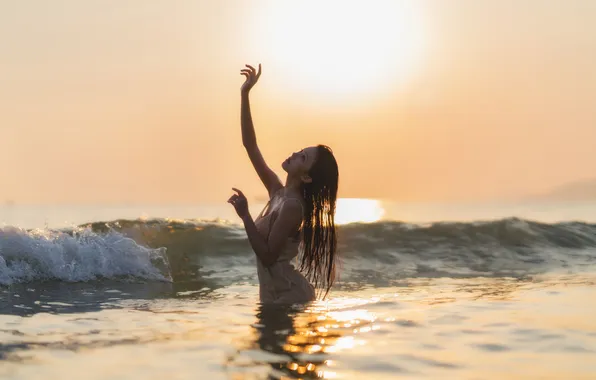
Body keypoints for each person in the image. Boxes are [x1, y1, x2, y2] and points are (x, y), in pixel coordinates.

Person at [227, 64, 339, 304]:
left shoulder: (292, 206)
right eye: (300, 150)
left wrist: (246, 216)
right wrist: (245, 94)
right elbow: (250, 145)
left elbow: (268, 257)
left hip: (288, 297)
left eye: (303, 158)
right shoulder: (277, 191)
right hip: (274, 296)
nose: (295, 154)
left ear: (307, 177)